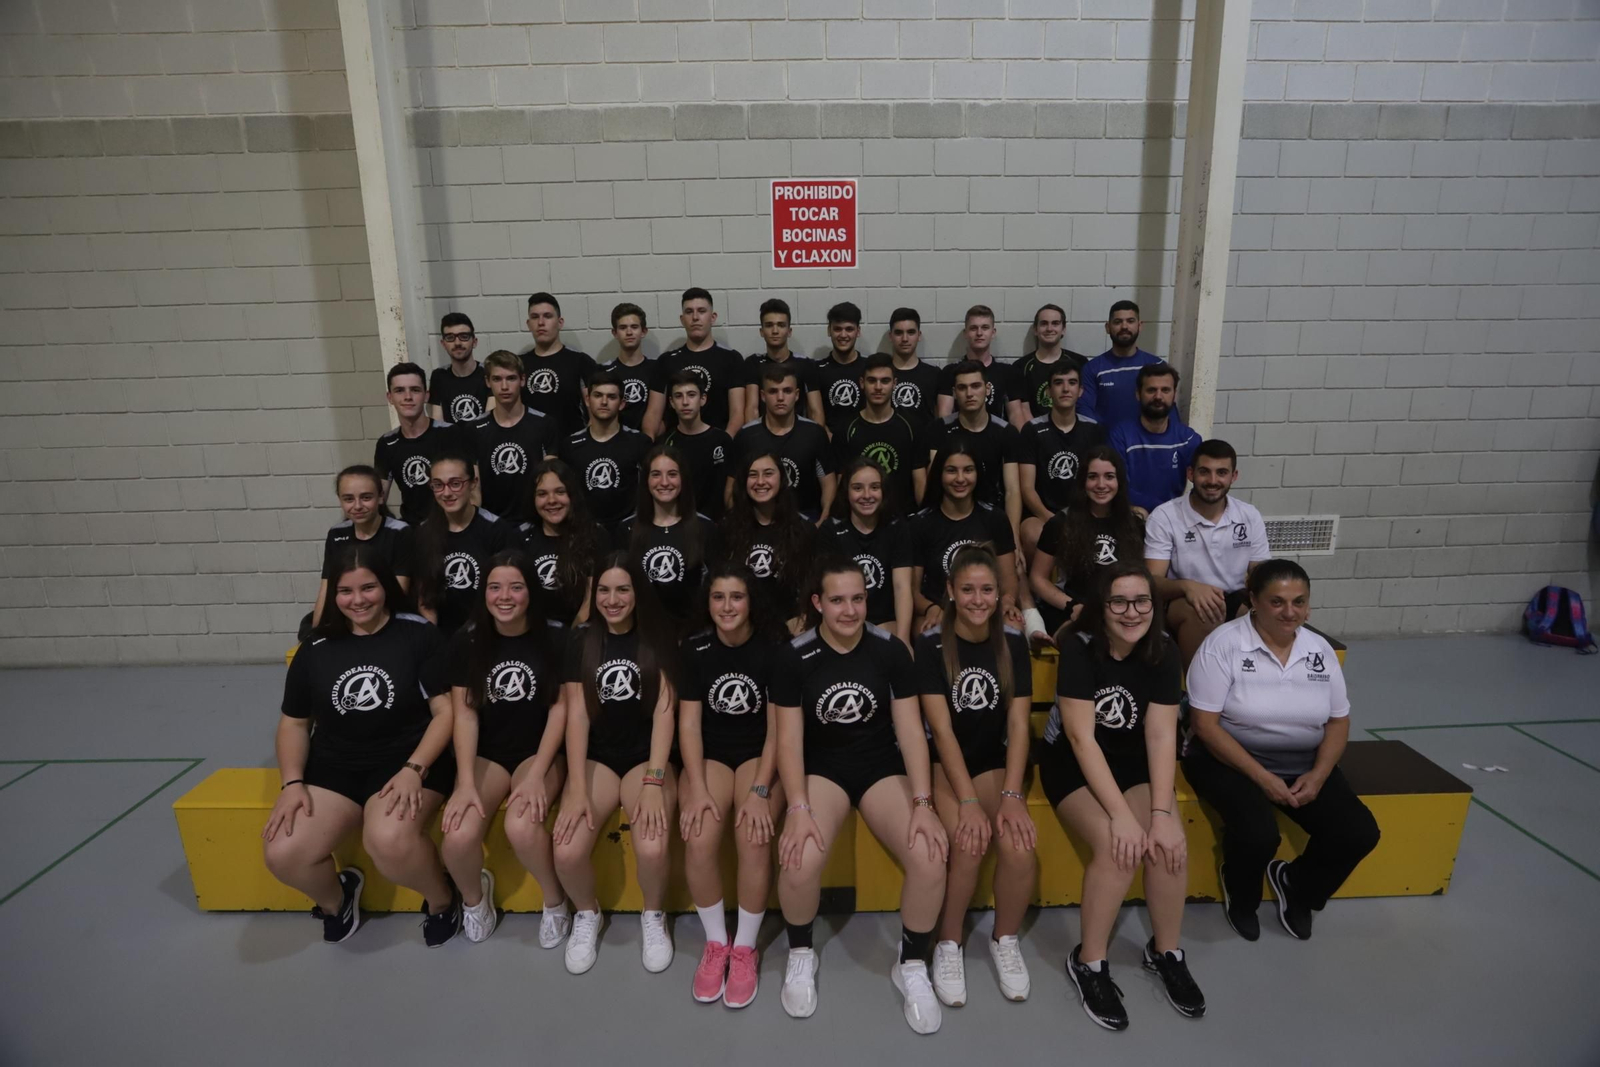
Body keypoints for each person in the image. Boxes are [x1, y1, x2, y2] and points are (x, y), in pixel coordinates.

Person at [773, 559, 950, 1034]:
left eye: (857, 599)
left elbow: (911, 731)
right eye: (837, 600)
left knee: (930, 854)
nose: (849, 610)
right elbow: (788, 740)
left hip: (879, 768)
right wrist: (797, 807)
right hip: (823, 770)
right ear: (818, 603)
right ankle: (801, 953)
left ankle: (911, 963)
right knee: (799, 858)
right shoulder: (794, 656)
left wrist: (923, 804)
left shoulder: (890, 650)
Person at [262, 544, 462, 947]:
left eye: (368, 588)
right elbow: (295, 723)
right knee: (282, 852)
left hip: (406, 761)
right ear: (333, 594)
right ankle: (337, 900)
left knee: (388, 840)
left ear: (386, 587)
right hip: (335, 767)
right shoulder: (316, 648)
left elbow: (446, 713)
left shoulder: (417, 635)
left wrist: (415, 769)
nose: (358, 600)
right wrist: (292, 783)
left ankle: (443, 900)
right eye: (345, 591)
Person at [1041, 562, 1205, 1031]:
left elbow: (1161, 735)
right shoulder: (1080, 647)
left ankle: (1166, 952)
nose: (1131, 612)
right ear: (1102, 606)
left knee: (1168, 844)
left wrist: (1161, 813)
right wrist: (1121, 815)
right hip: (1072, 762)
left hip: (1131, 760)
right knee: (1119, 848)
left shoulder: (1164, 650)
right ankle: (1089, 962)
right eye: (1119, 602)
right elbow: (1081, 739)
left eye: (1141, 601)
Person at [1183, 559, 1379, 943]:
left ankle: (1298, 885)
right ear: (1254, 601)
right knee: (1258, 834)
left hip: (1301, 761)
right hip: (1227, 760)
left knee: (1358, 832)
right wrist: (1262, 777)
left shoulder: (1318, 650)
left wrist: (1319, 774)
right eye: (1277, 602)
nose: (1290, 612)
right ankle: (1241, 895)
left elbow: (1338, 721)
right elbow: (1205, 726)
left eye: (1298, 602)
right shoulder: (1223, 645)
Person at [915, 546, 1037, 1007]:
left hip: (992, 763)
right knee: (968, 843)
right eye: (967, 590)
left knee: (1020, 847)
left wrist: (1012, 794)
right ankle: (949, 943)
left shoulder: (1013, 642)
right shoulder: (930, 645)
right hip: (945, 766)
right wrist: (968, 802)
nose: (978, 599)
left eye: (987, 590)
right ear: (950, 591)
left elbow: (1019, 725)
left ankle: (1005, 939)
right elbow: (941, 731)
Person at [436, 550, 572, 948]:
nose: (505, 596)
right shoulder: (468, 640)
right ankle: (475, 900)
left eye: (516, 587)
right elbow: (465, 715)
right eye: (495, 587)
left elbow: (560, 711)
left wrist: (537, 774)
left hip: (539, 752)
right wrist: (465, 782)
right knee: (457, 836)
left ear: (531, 591)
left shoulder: (556, 637)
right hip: (488, 754)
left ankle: (555, 900)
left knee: (521, 825)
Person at [552, 552, 680, 975]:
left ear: (637, 592)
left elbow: (665, 712)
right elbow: (576, 715)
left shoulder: (659, 637)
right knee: (566, 849)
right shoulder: (580, 640)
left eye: (623, 589)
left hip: (647, 758)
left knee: (652, 845)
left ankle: (653, 915)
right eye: (604, 590)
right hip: (599, 759)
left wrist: (654, 781)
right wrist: (575, 788)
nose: (612, 599)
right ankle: (587, 914)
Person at [678, 565, 787, 1008]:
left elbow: (779, 730)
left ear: (750, 601)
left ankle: (744, 948)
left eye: (736, 597)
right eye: (718, 597)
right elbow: (689, 724)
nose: (727, 607)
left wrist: (761, 791)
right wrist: (697, 786)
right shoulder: (695, 648)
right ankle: (716, 943)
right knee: (699, 835)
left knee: (753, 836)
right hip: (712, 757)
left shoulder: (773, 648)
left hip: (761, 756)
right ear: (708, 603)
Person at [1145, 439, 1270, 665]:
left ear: (1233, 476)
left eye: (1221, 472)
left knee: (1270, 613)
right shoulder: (1165, 516)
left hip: (1234, 596)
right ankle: (1196, 686)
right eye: (1204, 472)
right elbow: (1152, 581)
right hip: (1181, 599)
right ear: (1191, 474)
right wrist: (1188, 586)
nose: (1213, 481)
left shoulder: (1249, 515)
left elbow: (1260, 571)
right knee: (1205, 612)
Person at [1029, 446, 1143, 635]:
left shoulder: (1134, 524)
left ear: (1119, 481)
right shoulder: (1061, 523)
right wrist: (1072, 606)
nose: (1101, 484)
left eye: (1109, 476)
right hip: (1071, 610)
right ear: (1083, 481)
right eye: (1093, 477)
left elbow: (1142, 578)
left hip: (1122, 611)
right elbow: (1037, 579)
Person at [414, 450, 516, 635]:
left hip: (489, 633)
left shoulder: (497, 530)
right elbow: (426, 600)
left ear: (473, 483)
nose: (446, 493)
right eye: (438, 485)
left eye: (455, 484)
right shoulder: (424, 532)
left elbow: (507, 595)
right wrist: (434, 640)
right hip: (444, 637)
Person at [921, 360, 1022, 544]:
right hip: (948, 519)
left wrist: (1013, 539)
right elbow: (936, 482)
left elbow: (1012, 490)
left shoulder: (1006, 432)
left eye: (975, 386)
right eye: (962, 388)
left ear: (987, 389)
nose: (969, 393)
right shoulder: (938, 429)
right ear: (954, 393)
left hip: (990, 519)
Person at [618, 443, 719, 622]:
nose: (664, 482)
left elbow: (717, 587)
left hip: (693, 630)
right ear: (646, 480)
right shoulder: (626, 529)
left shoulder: (705, 528)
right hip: (642, 630)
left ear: (683, 479)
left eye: (672, 474)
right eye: (656, 474)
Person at [308, 465, 414, 634]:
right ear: (340, 500)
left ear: (381, 497)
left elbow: (398, 594)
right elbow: (326, 589)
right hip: (350, 617)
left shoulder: (400, 532)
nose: (357, 506)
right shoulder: (336, 534)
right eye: (348, 499)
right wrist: (314, 635)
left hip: (387, 620)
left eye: (366, 497)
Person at [720, 450, 817, 631]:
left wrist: (800, 622)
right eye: (752, 475)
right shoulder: (727, 529)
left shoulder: (804, 529)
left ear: (782, 479)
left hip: (790, 628)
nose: (760, 481)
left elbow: (812, 585)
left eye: (768, 473)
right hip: (740, 629)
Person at [821, 457, 914, 646]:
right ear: (846, 492)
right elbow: (828, 590)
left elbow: (902, 586)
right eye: (857, 488)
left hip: (886, 622)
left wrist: (903, 640)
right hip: (845, 619)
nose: (866, 495)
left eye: (874, 487)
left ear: (883, 491)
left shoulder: (897, 528)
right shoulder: (830, 530)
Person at [1018, 361, 1104, 560]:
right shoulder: (1032, 430)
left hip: (1083, 512)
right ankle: (1041, 578)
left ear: (1080, 391)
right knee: (1033, 534)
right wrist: (1053, 520)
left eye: (1072, 383)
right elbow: (1027, 488)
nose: (1065, 389)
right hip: (1042, 514)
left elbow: (1098, 480)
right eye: (1058, 383)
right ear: (1048, 391)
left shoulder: (1093, 429)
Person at [732, 362, 835, 522]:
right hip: (759, 522)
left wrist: (822, 522)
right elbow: (733, 489)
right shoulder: (746, 436)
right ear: (763, 396)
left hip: (806, 520)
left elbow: (828, 484)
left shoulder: (815, 433)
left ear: (797, 394)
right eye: (773, 391)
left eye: (787, 391)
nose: (780, 398)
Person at [556, 367, 651, 535]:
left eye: (611, 397)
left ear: (622, 403)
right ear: (587, 399)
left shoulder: (640, 443)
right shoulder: (570, 446)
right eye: (598, 395)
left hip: (629, 532)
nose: (604, 402)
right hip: (584, 532)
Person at [463, 350, 557, 518]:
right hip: (491, 522)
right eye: (497, 379)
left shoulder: (544, 424)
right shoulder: (474, 429)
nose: (504, 386)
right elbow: (474, 488)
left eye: (511, 378)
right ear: (487, 382)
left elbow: (550, 482)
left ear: (522, 380)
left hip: (534, 521)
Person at [835, 353, 928, 514]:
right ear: (862, 383)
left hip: (902, 518)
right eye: (872, 380)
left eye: (885, 381)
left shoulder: (912, 427)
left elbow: (919, 480)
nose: (878, 387)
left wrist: (923, 517)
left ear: (894, 384)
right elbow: (842, 482)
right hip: (860, 518)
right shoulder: (846, 429)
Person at [517, 459, 603, 627]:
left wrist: (571, 637)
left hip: (581, 631)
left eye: (560, 492)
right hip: (535, 632)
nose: (551, 500)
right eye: (542, 494)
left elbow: (592, 598)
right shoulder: (521, 537)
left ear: (572, 495)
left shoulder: (595, 535)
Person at [1109, 362, 1200, 513]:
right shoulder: (1120, 436)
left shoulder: (1188, 439)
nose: (1158, 396)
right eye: (1151, 390)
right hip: (1132, 515)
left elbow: (1203, 484)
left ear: (1174, 395)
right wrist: (1161, 510)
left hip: (1174, 517)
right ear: (1138, 394)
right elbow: (1118, 485)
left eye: (1165, 390)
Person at [374, 362, 458, 526]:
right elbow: (378, 498)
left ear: (426, 396)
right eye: (399, 390)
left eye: (415, 390)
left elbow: (470, 489)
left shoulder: (450, 434)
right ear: (390, 397)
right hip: (411, 530)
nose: (408, 397)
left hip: (450, 527)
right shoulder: (387, 443)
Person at [660, 288, 744, 436]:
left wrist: (723, 443)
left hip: (720, 444)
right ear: (682, 319)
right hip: (676, 445)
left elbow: (737, 414)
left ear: (712, 317)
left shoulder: (731, 358)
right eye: (689, 312)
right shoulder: (667, 361)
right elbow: (654, 414)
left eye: (701, 311)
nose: (695, 317)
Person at [521, 292, 597, 437]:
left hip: (571, 445)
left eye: (547, 316)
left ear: (560, 322)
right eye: (535, 317)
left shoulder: (581, 361)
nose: (541, 322)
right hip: (531, 445)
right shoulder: (518, 364)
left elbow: (596, 413)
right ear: (528, 324)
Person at [1080, 300, 1164, 431]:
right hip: (1105, 442)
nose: (1124, 326)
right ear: (1108, 327)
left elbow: (1168, 411)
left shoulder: (1158, 366)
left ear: (1139, 326)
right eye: (1118, 322)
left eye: (1130, 321)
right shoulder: (1092, 368)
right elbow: (1085, 412)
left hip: (1147, 442)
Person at [663, 369, 734, 522]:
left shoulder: (722, 440)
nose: (685, 402)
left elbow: (730, 491)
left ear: (702, 399)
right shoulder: (664, 443)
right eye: (678, 396)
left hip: (716, 525)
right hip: (677, 524)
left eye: (691, 395)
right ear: (671, 402)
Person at [937, 305, 1024, 427]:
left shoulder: (1008, 372)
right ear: (965, 333)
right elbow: (944, 415)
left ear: (993, 333)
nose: (979, 333)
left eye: (985, 328)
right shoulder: (950, 371)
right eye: (973, 328)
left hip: (997, 437)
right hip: (960, 436)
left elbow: (1016, 415)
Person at [744, 297, 816, 422]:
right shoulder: (753, 363)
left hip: (799, 431)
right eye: (769, 325)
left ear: (789, 331)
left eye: (781, 325)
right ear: (761, 331)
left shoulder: (805, 364)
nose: (775, 331)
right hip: (763, 431)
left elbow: (815, 411)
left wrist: (815, 434)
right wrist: (754, 434)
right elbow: (752, 408)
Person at [1016, 303, 1086, 419]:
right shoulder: (1021, 366)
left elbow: (1084, 404)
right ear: (1035, 330)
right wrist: (1036, 430)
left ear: (1063, 329)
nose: (1049, 329)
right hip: (1035, 428)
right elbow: (1023, 410)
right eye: (1044, 323)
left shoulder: (1080, 362)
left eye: (1055, 323)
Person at [607, 302, 665, 438]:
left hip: (651, 441)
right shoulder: (606, 372)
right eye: (623, 328)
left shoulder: (658, 368)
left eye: (634, 327)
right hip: (616, 442)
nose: (629, 332)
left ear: (643, 331)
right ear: (615, 333)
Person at [810, 301, 865, 436]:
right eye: (837, 329)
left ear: (858, 331)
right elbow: (814, 413)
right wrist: (828, 438)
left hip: (863, 441)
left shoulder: (869, 367)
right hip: (827, 441)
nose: (843, 335)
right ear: (829, 330)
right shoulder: (816, 369)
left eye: (849, 329)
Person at [428, 312, 490, 425]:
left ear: (474, 342)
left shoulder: (489, 372)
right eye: (450, 338)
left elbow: (490, 423)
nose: (457, 343)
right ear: (443, 344)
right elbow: (437, 425)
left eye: (464, 337)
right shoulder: (439, 376)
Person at [886, 307, 942, 429]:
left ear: (919, 335)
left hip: (925, 440)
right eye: (898, 333)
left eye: (911, 332)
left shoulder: (934, 374)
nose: (905, 339)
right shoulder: (881, 375)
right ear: (890, 336)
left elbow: (941, 419)